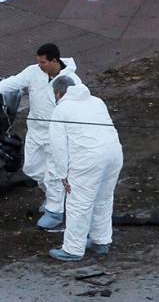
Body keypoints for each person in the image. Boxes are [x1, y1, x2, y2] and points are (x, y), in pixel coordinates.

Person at [0, 43, 80, 230]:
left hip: (57, 134)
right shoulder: (33, 72)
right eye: (38, 62)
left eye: (43, 62)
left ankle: (55, 210)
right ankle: (57, 199)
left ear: (55, 61)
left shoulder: (71, 81)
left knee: (54, 173)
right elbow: (13, 82)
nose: (39, 65)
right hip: (36, 131)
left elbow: (79, 109)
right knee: (32, 168)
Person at [48, 76, 123, 262]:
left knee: (79, 203)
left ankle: (73, 249)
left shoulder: (61, 109)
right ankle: (101, 241)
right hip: (114, 153)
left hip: (87, 159)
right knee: (103, 199)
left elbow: (58, 146)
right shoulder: (97, 101)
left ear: (58, 92)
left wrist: (62, 174)